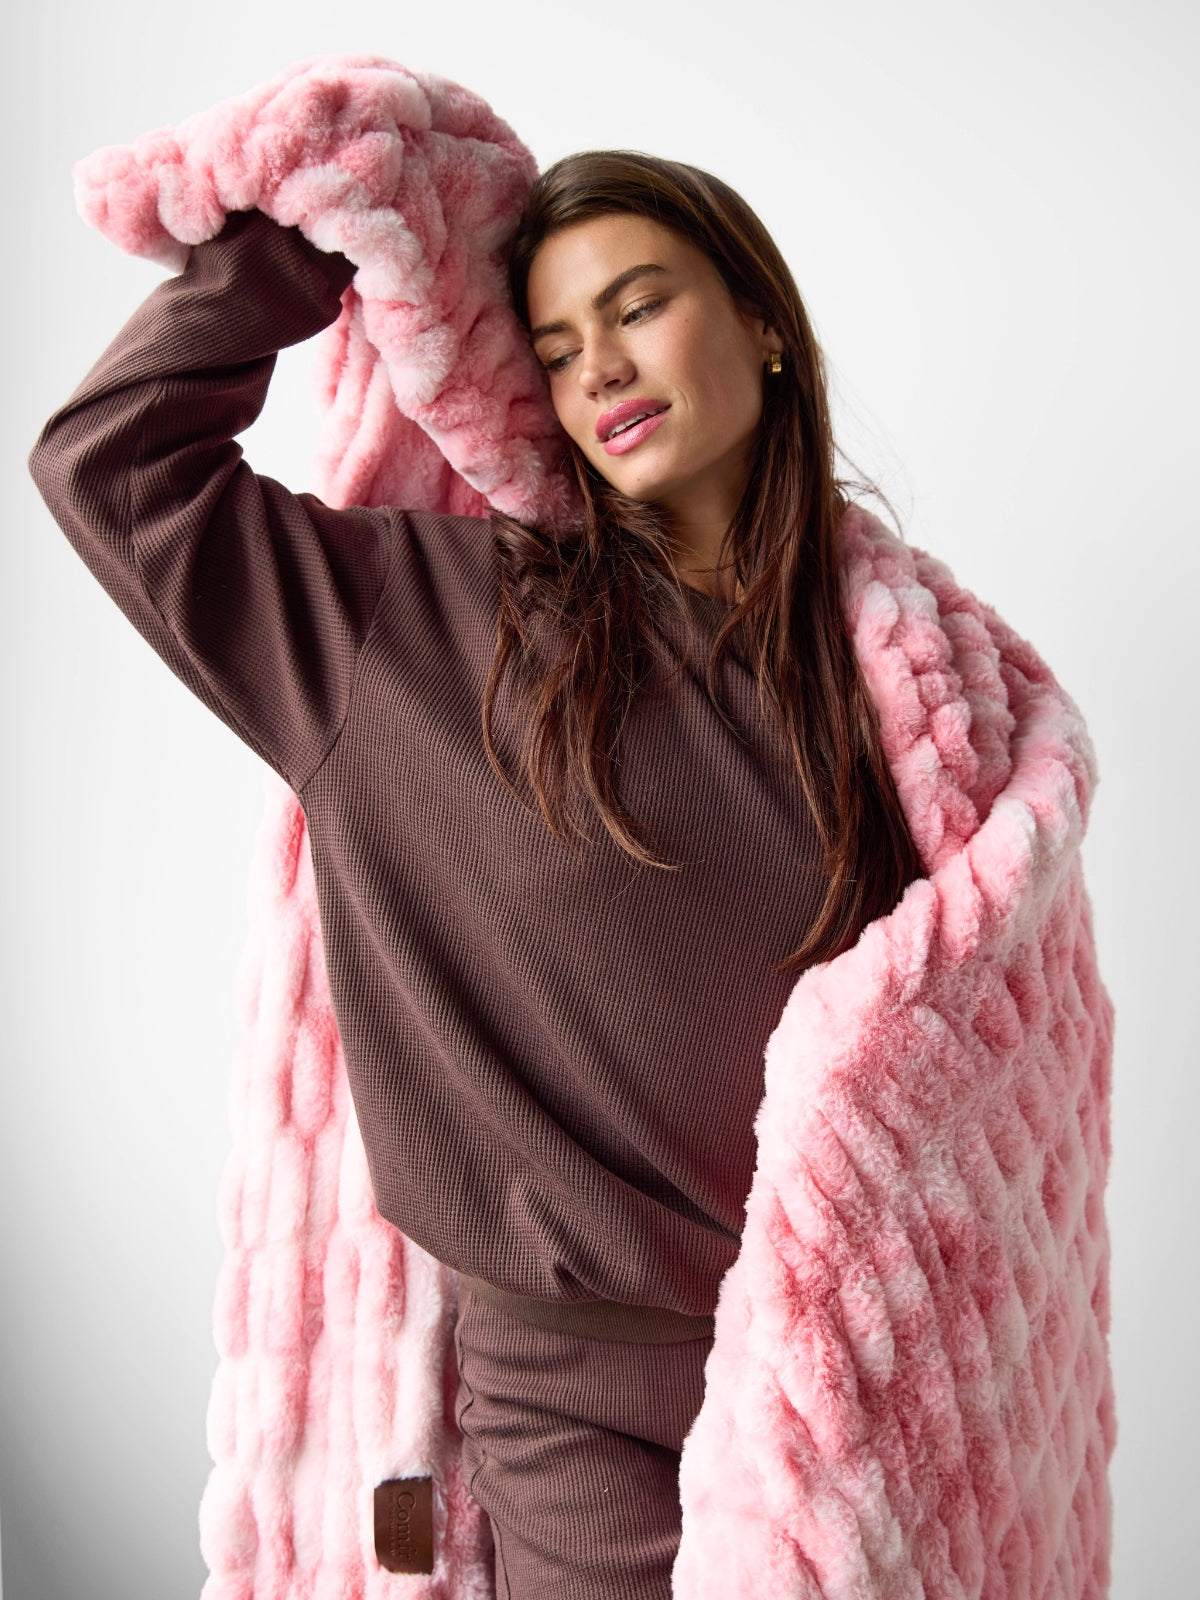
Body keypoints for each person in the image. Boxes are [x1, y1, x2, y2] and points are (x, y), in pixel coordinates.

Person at [29, 150, 923, 1599]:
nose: (601, 368)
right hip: (585, 1409)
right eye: (556, 348)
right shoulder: (427, 627)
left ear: (763, 321)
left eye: (639, 306)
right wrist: (339, 215)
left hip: (853, 1375)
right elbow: (110, 464)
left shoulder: (909, 686)